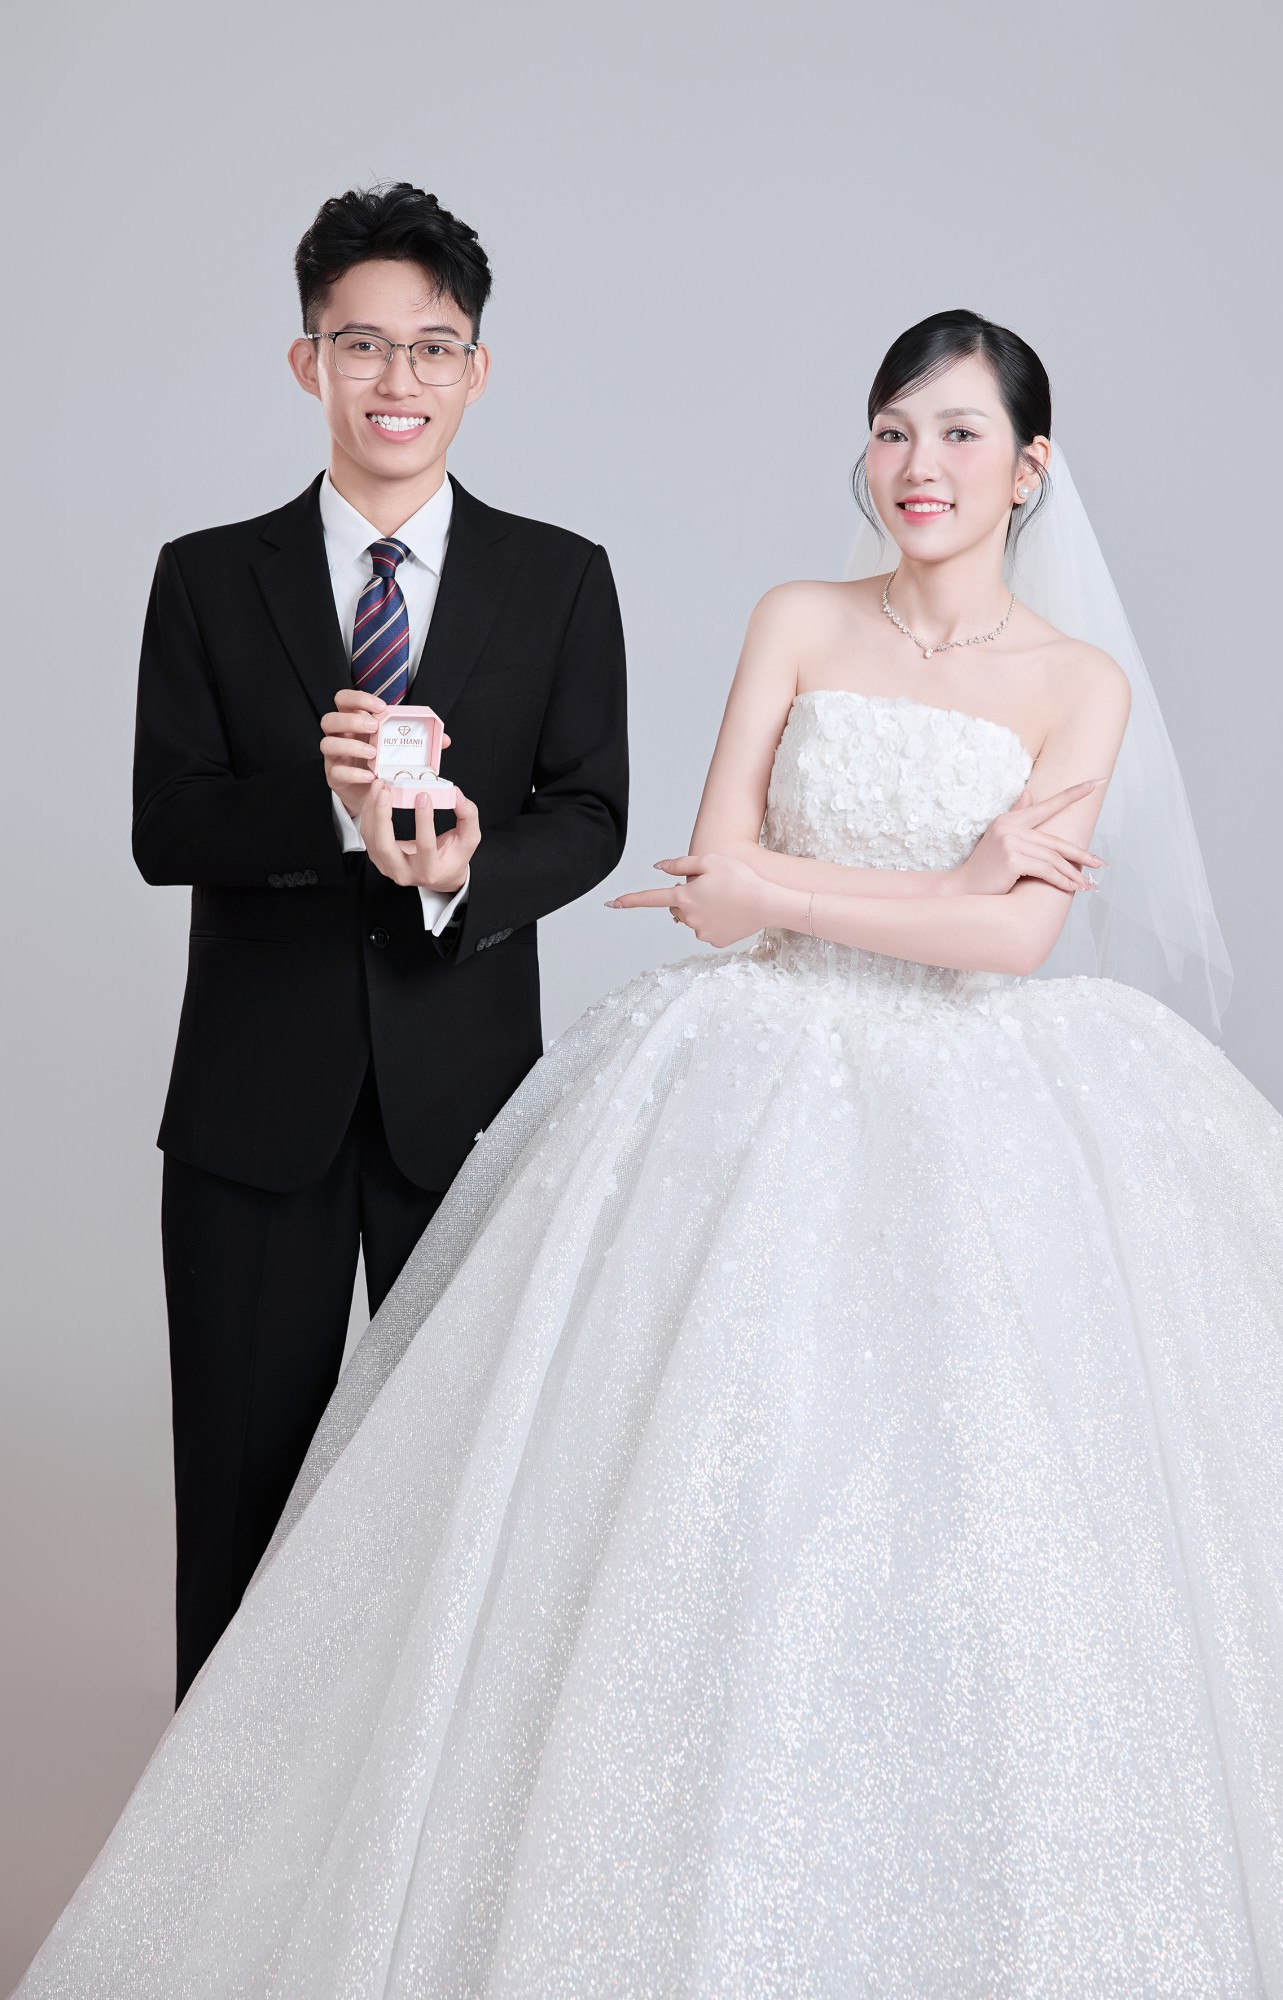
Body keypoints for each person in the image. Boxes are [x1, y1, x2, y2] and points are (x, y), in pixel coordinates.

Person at [19, 311, 1283, 1996]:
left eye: (955, 435)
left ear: (1028, 469)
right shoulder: (797, 617)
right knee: (685, 1505)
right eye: (891, 430)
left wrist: (834, 896)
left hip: (987, 1109)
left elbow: (1007, 947)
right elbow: (714, 885)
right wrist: (929, 886)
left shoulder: (1083, 685)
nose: (915, 467)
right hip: (749, 1078)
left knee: (991, 1522)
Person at [131, 182, 629, 1706]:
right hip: (252, 1113)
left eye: (430, 346)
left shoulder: (559, 575)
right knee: (238, 1499)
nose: (395, 379)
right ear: (308, 363)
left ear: (477, 369)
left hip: (462, 1108)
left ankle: (414, 1814)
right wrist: (333, 806)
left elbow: (590, 813)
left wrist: (468, 870)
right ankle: (217, 1835)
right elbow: (167, 826)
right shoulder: (209, 575)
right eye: (359, 345)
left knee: (451, 1505)